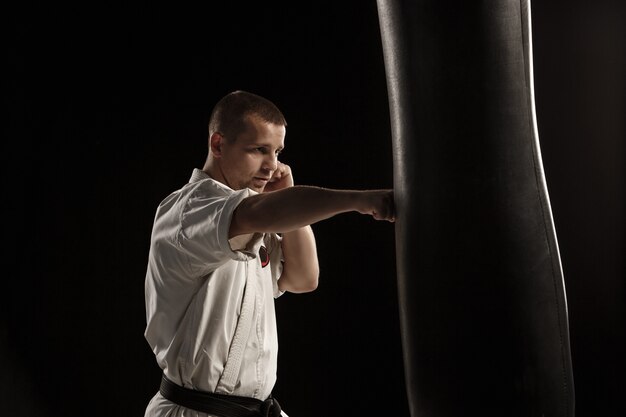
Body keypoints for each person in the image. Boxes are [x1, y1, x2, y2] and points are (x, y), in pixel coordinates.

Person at [143, 90, 395, 417]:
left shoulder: (251, 218)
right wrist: (359, 200)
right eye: (259, 150)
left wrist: (288, 193)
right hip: (195, 410)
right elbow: (257, 213)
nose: (271, 165)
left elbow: (304, 279)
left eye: (277, 151)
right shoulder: (190, 211)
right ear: (218, 145)